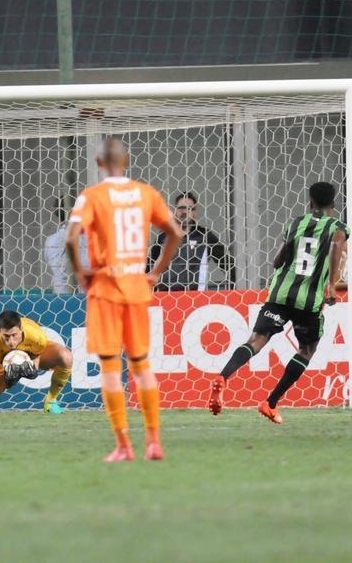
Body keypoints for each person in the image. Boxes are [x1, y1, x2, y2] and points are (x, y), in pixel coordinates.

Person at [66, 137, 182, 462]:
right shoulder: (147, 194)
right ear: (126, 159)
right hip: (136, 287)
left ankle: (123, 445)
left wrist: (80, 273)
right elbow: (176, 233)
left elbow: (72, 237)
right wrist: (155, 271)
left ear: (99, 162)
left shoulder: (92, 196)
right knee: (142, 366)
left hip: (105, 288)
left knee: (110, 369)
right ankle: (154, 442)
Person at [209, 181, 348, 424]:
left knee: (255, 341)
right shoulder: (338, 227)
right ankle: (270, 403)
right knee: (306, 349)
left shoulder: (295, 223)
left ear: (310, 202)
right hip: (309, 301)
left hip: (280, 294)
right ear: (333, 204)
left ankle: (223, 377)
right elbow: (337, 248)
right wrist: (333, 285)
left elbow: (276, 261)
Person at [150, 192, 234, 291]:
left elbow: (228, 264)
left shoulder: (204, 236)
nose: (184, 212)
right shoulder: (164, 235)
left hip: (195, 296)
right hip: (165, 296)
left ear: (194, 213)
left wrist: (232, 290)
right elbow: (150, 263)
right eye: (181, 208)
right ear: (175, 211)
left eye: (189, 208)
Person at [43, 205, 88, 293]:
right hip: (85, 299)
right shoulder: (87, 240)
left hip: (59, 297)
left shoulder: (51, 240)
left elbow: (48, 260)